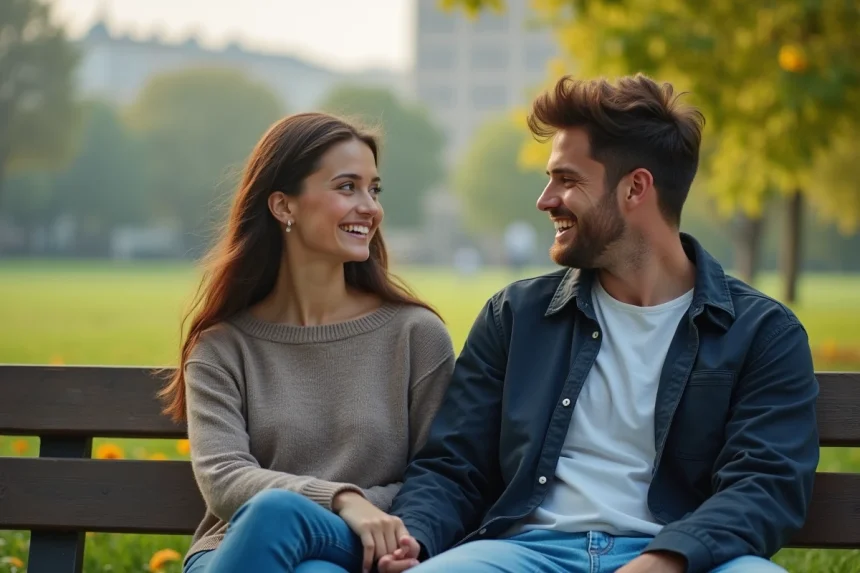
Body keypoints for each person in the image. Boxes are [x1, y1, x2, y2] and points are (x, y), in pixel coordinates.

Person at [378, 74, 819, 573]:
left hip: (683, 560)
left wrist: (665, 560)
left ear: (635, 188)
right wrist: (414, 539)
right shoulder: (515, 317)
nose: (546, 199)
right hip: (524, 555)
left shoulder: (762, 332)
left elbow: (764, 483)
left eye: (567, 180)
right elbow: (453, 467)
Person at [157, 112, 456, 573]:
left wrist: (352, 511)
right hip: (238, 549)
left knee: (285, 518)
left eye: (373, 189)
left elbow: (437, 476)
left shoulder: (414, 336)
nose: (370, 207)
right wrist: (340, 498)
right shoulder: (222, 348)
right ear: (283, 206)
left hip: (364, 543)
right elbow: (224, 479)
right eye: (346, 187)